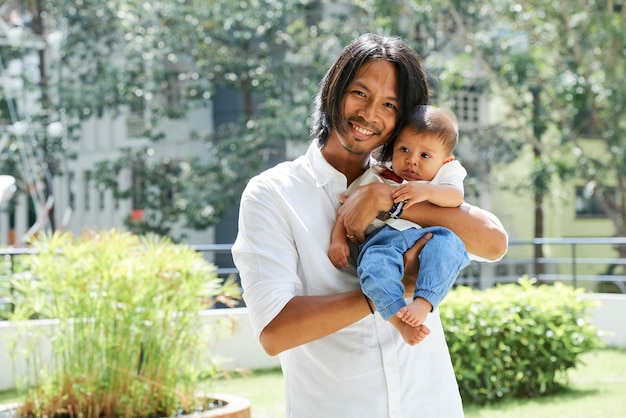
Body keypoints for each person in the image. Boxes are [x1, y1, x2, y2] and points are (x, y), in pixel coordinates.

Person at [232, 33, 508, 418]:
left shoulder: (411, 178)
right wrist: (387, 290)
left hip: (431, 405)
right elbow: (276, 332)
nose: (369, 113)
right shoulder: (273, 194)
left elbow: (494, 242)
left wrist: (387, 203)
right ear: (333, 91)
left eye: (390, 104)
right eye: (359, 93)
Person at [328, 105, 471, 346]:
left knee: (450, 247)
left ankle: (423, 303)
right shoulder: (379, 173)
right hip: (382, 240)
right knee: (372, 268)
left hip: (429, 233)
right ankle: (398, 320)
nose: (411, 161)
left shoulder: (445, 175)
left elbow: (456, 197)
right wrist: (337, 239)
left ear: (445, 160)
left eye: (425, 156)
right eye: (404, 149)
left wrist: (426, 190)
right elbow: (348, 205)